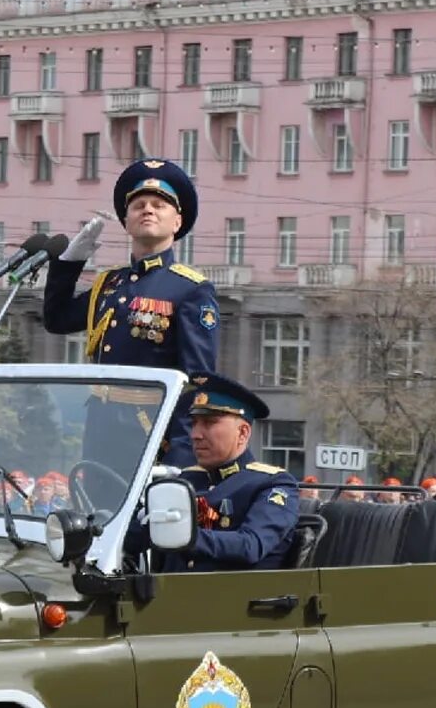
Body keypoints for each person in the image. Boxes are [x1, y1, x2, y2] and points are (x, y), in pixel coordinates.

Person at [43, 158, 220, 470]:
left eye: (158, 205)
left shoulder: (190, 289)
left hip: (151, 432)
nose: (147, 210)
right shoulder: (110, 284)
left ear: (177, 222)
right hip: (100, 427)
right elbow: (57, 320)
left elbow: (197, 381)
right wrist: (69, 264)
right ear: (125, 221)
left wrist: (182, 454)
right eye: (138, 205)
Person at [134, 375, 299, 573]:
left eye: (209, 423)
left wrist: (183, 536)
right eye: (194, 423)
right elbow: (137, 538)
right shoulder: (187, 480)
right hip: (168, 597)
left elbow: (251, 545)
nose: (195, 434)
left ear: (243, 433)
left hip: (234, 599)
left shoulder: (272, 484)